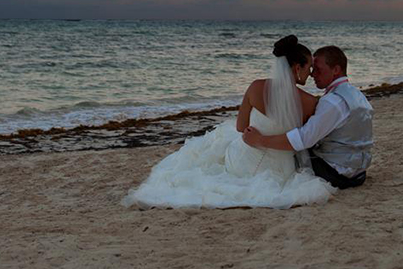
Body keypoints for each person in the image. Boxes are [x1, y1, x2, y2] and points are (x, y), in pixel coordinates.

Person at [122, 35, 335, 209]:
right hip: (282, 168)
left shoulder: (255, 87)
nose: (311, 73)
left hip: (243, 161)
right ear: (297, 67)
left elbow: (241, 127)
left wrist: (258, 137)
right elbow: (303, 138)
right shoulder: (310, 102)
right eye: (308, 67)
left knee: (222, 139)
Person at [243, 45, 373, 190]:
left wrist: (259, 140)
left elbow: (304, 139)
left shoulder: (333, 101)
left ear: (336, 70)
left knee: (295, 150)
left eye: (317, 69)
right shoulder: (357, 95)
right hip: (359, 172)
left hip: (338, 174)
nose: (312, 75)